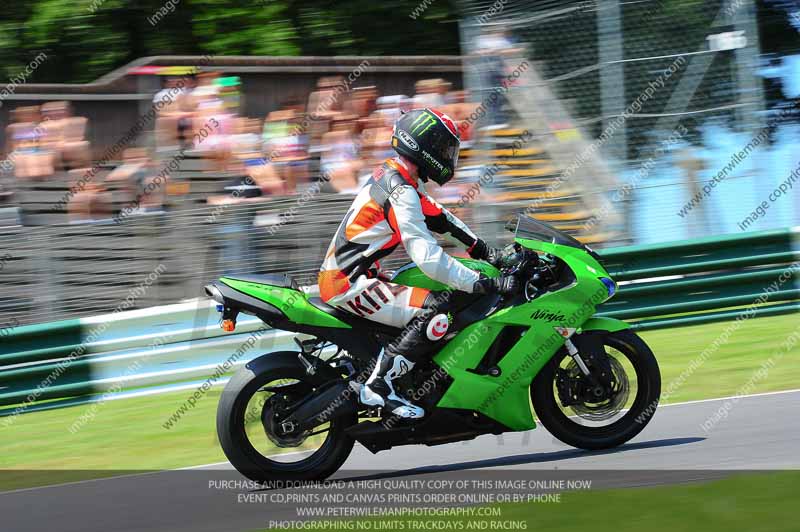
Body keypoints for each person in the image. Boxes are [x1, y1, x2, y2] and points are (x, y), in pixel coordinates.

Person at [318, 108, 518, 419]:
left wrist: (486, 252)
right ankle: (379, 386)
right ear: (425, 146)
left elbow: (441, 217)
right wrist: (484, 283)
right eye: (445, 149)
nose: (449, 157)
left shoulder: (397, 176)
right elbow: (428, 259)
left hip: (358, 276)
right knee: (437, 312)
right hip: (349, 284)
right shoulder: (401, 191)